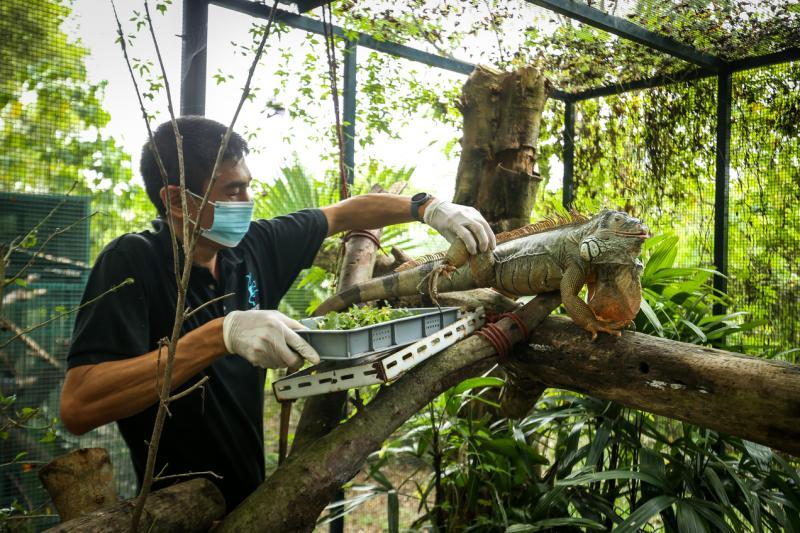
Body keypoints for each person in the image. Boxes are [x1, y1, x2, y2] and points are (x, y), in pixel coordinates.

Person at [59, 116, 496, 510]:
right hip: (174, 511)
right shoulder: (132, 262)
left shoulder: (251, 247)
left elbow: (345, 213)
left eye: (248, 185)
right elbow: (79, 405)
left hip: (250, 497)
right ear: (176, 200)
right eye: (233, 191)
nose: (248, 200)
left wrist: (427, 208)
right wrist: (219, 336)